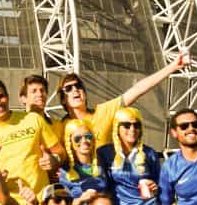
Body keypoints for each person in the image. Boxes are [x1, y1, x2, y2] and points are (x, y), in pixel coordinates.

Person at [54, 53, 187, 147]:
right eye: (69, 88)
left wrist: (173, 67)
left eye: (78, 86)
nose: (75, 90)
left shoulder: (103, 112)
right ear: (63, 99)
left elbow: (137, 90)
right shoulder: (61, 127)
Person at [0, 77, 65, 201]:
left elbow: (60, 152)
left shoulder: (33, 119)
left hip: (40, 202)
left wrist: (54, 159)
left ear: (7, 97)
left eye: (1, 96)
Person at [97, 107, 164, 205]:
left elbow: (161, 187)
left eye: (136, 125)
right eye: (126, 125)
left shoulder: (149, 153)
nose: (132, 129)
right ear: (117, 128)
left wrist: (155, 188)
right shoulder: (105, 153)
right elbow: (102, 184)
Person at [57, 119, 106, 205]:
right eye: (78, 138)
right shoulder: (65, 171)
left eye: (88, 136)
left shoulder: (102, 163)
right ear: (70, 142)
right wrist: (81, 200)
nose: (84, 141)